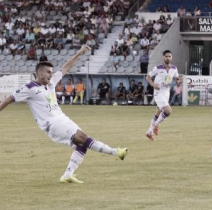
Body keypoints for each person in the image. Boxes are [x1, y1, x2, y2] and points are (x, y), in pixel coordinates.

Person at [0, 45, 128, 184]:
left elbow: (66, 67)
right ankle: (116, 152)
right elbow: (9, 98)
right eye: (48, 72)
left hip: (62, 118)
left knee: (82, 145)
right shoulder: (29, 88)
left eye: (51, 72)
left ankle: (67, 175)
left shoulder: (51, 83)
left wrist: (79, 52)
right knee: (83, 137)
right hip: (52, 124)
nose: (51, 74)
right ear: (40, 73)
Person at [145, 50, 182, 141]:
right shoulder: (157, 68)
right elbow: (148, 77)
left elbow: (177, 78)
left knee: (157, 114)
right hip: (158, 92)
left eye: (169, 56)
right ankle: (155, 125)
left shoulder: (174, 68)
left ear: (171, 57)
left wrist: (179, 80)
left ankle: (149, 132)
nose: (168, 58)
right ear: (163, 57)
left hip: (167, 92)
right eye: (166, 56)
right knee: (168, 111)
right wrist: (153, 85)